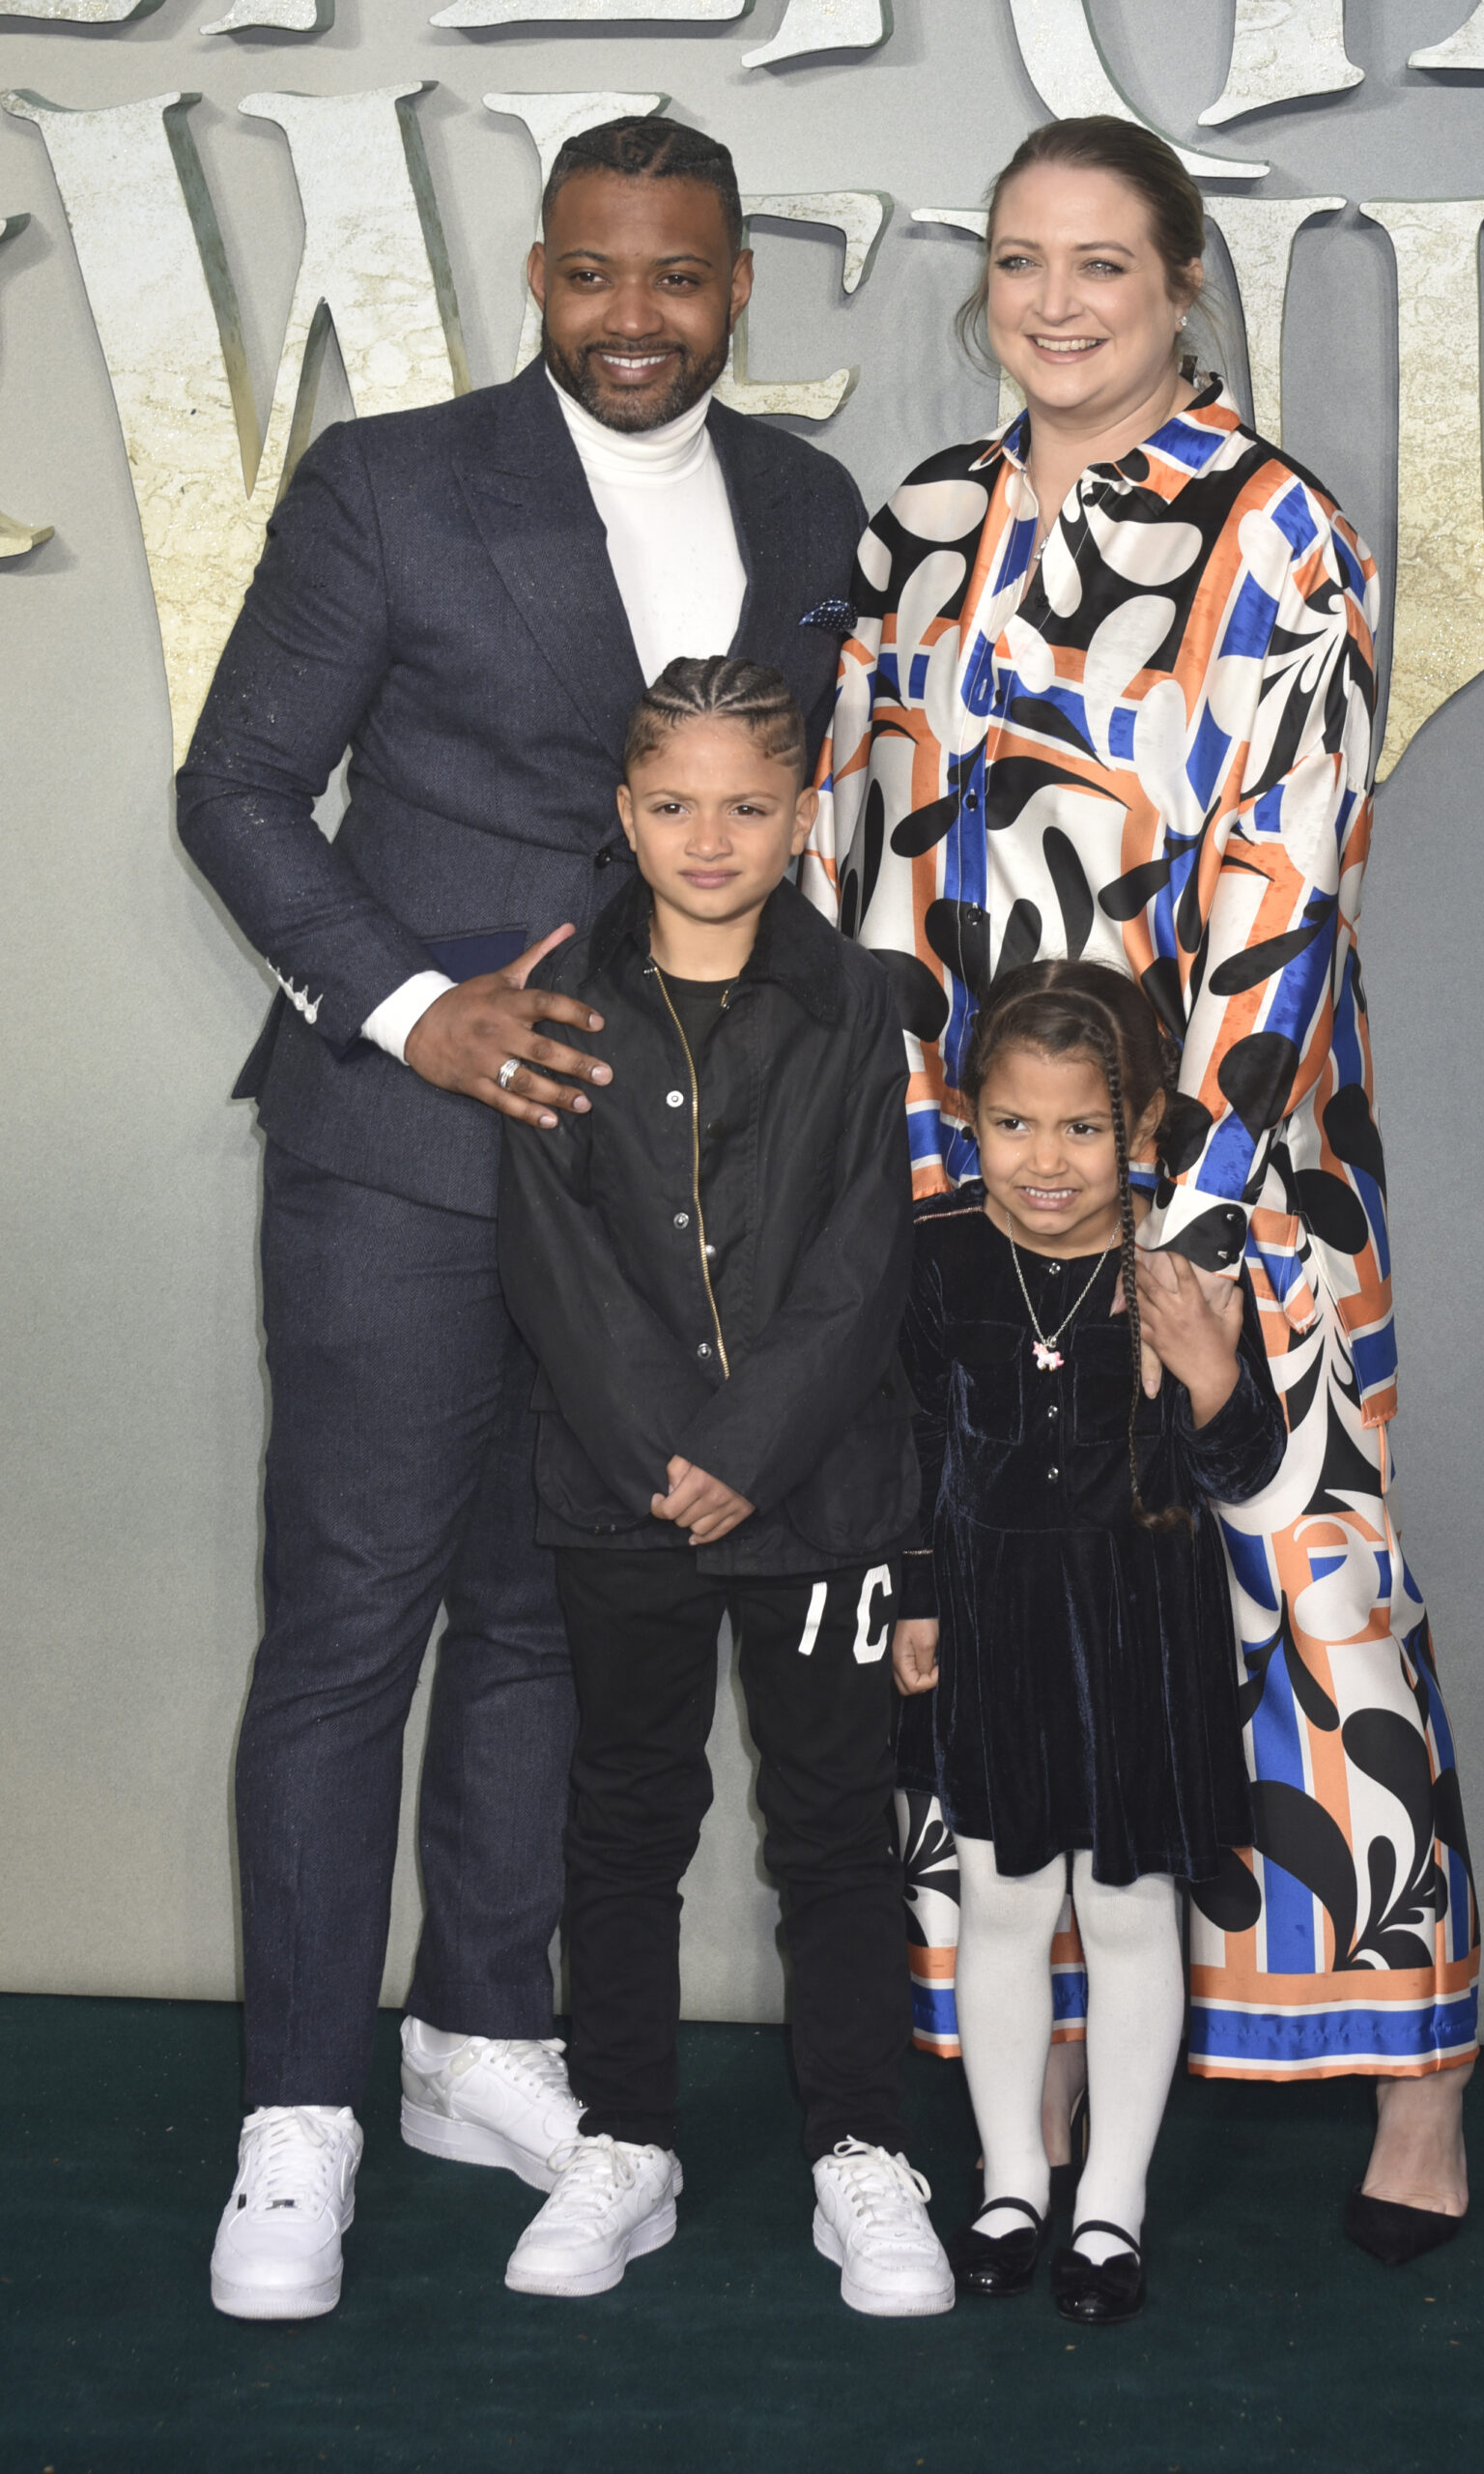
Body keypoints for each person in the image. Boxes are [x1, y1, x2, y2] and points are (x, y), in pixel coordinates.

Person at [177, 115, 867, 2320]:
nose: (633, 317)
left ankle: (480, 2037)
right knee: (352, 1619)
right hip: (402, 1147)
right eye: (590, 275)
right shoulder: (391, 480)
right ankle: (299, 2110)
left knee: (553, 1618)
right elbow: (236, 787)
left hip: (659, 1198)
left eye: (677, 277)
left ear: (738, 283)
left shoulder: (806, 507)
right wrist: (403, 1010)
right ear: (538, 280)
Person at [806, 113, 1478, 2265]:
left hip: (1224, 1182)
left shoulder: (1282, 531)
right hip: (962, 1191)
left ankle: (1420, 2068)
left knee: (1299, 1591)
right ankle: (1057, 2052)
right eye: (1020, 260)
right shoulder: (914, 525)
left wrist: (1187, 1219)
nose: (1057, 300)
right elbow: (850, 850)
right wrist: (875, 1169)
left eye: (1103, 262)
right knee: (1007, 1603)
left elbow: (1294, 871)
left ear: (1180, 279)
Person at [494, 656, 954, 2318]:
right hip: (622, 1504)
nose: (710, 836)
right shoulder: (556, 1000)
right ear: (625, 815)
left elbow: (860, 1261)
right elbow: (551, 1259)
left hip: (819, 1500)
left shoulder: (860, 1008)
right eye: (674, 804)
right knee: (625, 1817)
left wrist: (748, 1454)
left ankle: (859, 2151)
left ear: (804, 815)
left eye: (749, 806)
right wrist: (663, 1458)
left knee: (834, 1830)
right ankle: (625, 2139)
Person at [894, 962, 1283, 2318]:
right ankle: (1013, 2178)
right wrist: (919, 1596)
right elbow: (910, 1447)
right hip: (995, 1621)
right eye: (1012, 1125)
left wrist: (1216, 1369)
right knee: (999, 1904)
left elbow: (1243, 1464)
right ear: (968, 1117)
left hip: (1140, 1625)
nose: (1045, 1162)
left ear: (1142, 1132)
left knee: (1127, 1913)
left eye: (1079, 1129)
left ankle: (1109, 2204)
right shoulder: (939, 1256)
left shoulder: (1184, 1269)